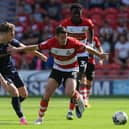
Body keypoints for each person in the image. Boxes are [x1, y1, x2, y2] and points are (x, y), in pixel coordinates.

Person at [7, 26, 108, 124]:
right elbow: (34, 47)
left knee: (69, 92)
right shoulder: (51, 42)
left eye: (65, 37)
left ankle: (78, 97)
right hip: (58, 69)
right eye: (62, 37)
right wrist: (17, 50)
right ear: (56, 37)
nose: (64, 39)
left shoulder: (73, 42)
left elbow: (87, 48)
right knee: (47, 93)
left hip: (71, 69)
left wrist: (99, 54)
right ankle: (40, 118)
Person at [60, 3, 103, 119]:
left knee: (78, 78)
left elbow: (91, 32)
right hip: (71, 54)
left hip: (83, 54)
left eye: (78, 14)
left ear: (81, 14)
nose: (76, 16)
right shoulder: (65, 24)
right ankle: (79, 102)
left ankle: (73, 109)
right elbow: (60, 38)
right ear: (71, 14)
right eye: (74, 14)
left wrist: (89, 44)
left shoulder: (87, 23)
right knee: (72, 82)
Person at [0, 22, 47, 124]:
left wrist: (39, 55)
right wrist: (3, 81)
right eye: (12, 32)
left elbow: (25, 48)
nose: (14, 34)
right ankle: (22, 118)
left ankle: (15, 102)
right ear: (6, 33)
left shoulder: (11, 41)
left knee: (24, 94)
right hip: (1, 72)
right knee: (14, 92)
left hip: (10, 70)